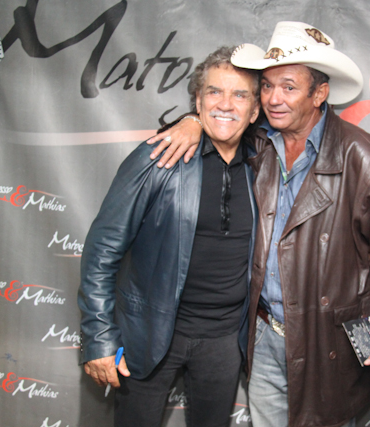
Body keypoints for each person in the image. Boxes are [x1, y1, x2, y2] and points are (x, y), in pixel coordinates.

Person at [147, 21, 370, 427]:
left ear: (319, 93)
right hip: (264, 335)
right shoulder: (258, 142)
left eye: (288, 87)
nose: (273, 98)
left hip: (329, 345)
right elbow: (221, 116)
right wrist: (192, 121)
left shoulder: (361, 157)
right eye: (267, 86)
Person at [77, 46, 260, 427]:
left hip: (225, 340)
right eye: (214, 92)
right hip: (150, 331)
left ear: (255, 110)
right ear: (198, 101)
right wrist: (98, 336)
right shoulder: (158, 158)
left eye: (240, 95)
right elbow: (102, 251)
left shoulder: (263, 167)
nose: (226, 104)